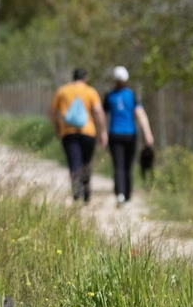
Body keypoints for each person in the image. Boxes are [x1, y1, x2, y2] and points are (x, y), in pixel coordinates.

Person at [50, 68, 105, 203]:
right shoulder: (90, 91)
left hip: (68, 132)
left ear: (73, 77)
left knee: (74, 163)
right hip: (88, 132)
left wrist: (57, 127)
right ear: (85, 78)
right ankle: (86, 192)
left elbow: (52, 112)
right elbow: (98, 111)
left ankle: (76, 193)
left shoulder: (62, 91)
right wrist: (102, 131)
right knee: (86, 162)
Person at [103, 66, 154, 205]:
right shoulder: (131, 95)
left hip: (115, 134)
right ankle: (128, 196)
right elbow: (141, 115)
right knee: (127, 166)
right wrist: (148, 134)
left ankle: (119, 194)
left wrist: (102, 133)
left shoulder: (109, 96)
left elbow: (103, 115)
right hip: (130, 135)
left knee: (118, 165)